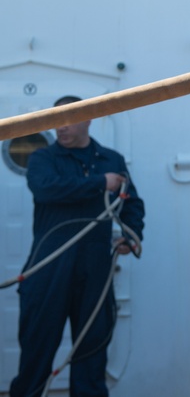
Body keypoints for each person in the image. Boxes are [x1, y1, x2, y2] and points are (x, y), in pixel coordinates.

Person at [9, 95, 144, 397]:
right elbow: (46, 190)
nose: (61, 128)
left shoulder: (111, 160)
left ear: (88, 119)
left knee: (91, 353)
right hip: (48, 269)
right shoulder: (44, 159)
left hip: (94, 271)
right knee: (36, 352)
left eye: (68, 120)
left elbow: (131, 203)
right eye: (56, 121)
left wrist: (132, 235)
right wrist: (100, 183)